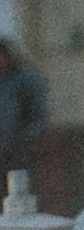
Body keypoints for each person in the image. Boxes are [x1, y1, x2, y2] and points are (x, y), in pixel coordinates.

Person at [0, 37, 49, 176]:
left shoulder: (26, 79)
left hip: (19, 152)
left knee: (19, 188)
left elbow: (39, 113)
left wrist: (25, 139)